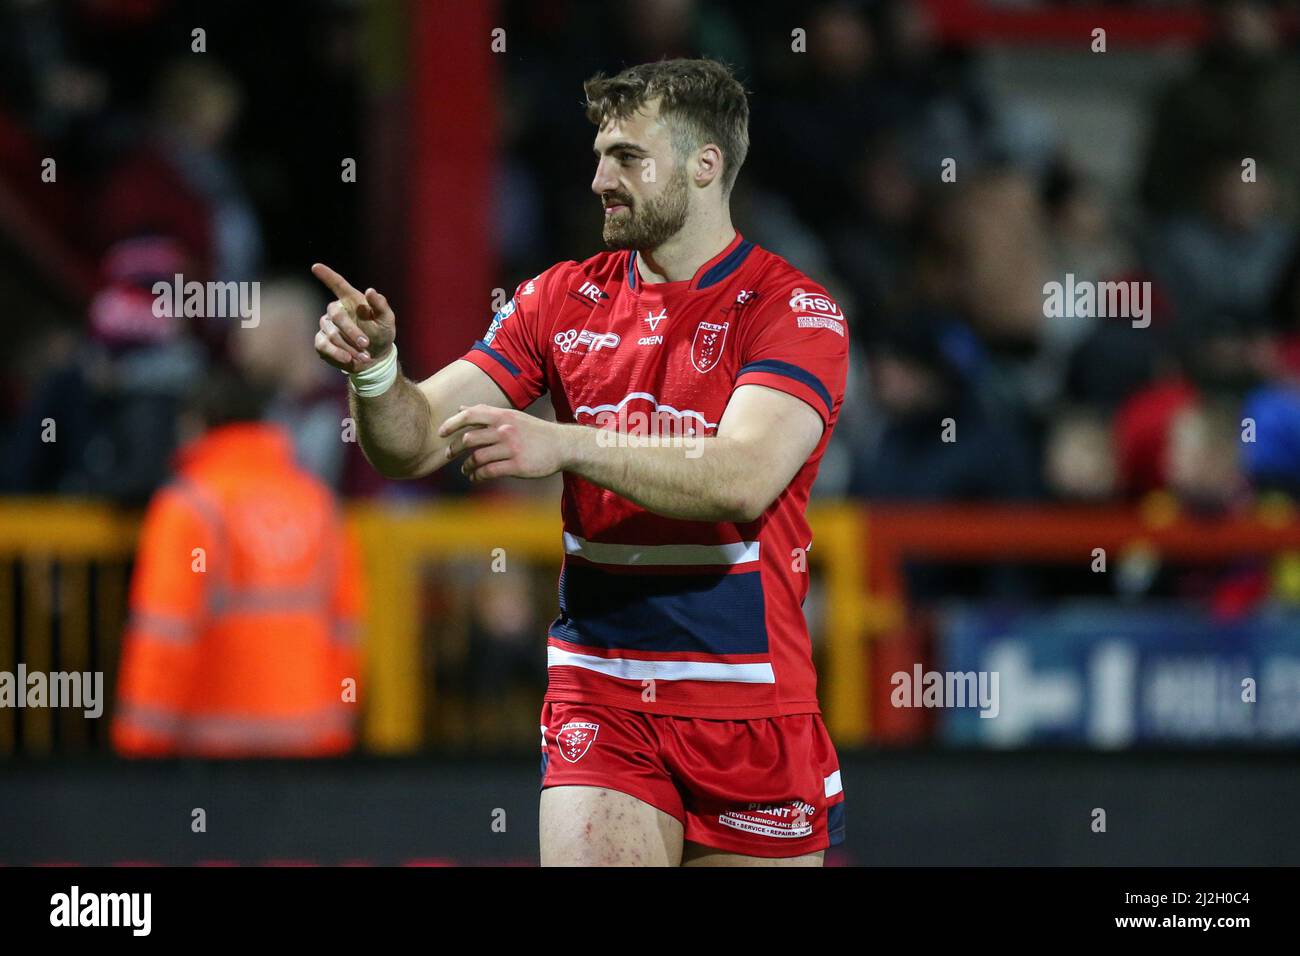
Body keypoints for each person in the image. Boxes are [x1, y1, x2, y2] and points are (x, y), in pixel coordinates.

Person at [312, 58, 847, 866]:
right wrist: (378, 372)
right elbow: (414, 439)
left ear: (706, 166)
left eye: (628, 158)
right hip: (602, 698)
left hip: (751, 710)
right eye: (599, 155)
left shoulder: (792, 309)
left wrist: (564, 444)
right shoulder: (558, 299)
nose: (600, 179)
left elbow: (742, 476)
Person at [111, 364, 364, 757]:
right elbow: (346, 629)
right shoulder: (317, 502)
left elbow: (163, 638)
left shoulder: (188, 506)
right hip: (312, 748)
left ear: (195, 425)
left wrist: (138, 744)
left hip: (210, 756)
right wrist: (338, 730)